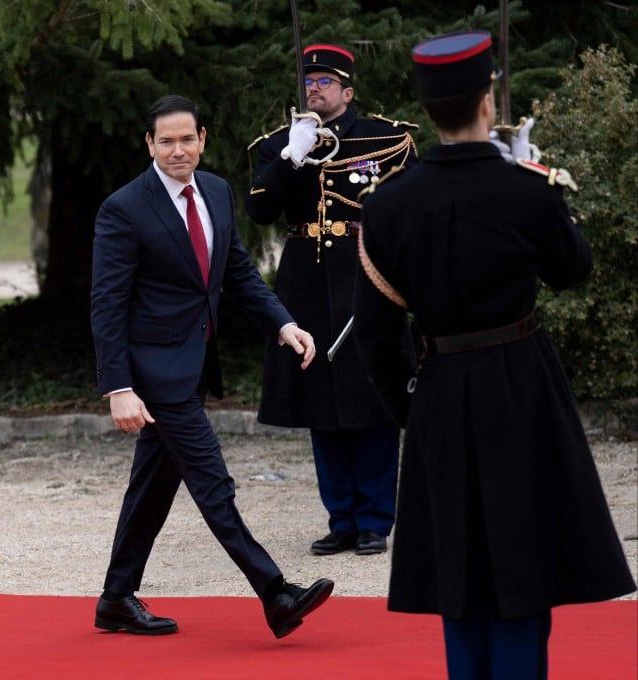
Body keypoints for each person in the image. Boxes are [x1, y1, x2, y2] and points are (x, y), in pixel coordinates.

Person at [351, 31, 636, 679]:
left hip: (441, 387)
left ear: (429, 110)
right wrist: (545, 184)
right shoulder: (526, 190)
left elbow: (374, 334)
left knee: (461, 564)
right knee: (523, 557)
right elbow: (573, 271)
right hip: (521, 384)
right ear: (488, 101)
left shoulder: (389, 205)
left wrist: (410, 410)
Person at [90, 94, 334, 639]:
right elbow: (106, 304)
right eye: (166, 140)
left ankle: (114, 599)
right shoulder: (124, 208)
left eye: (188, 138)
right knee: (212, 484)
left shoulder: (219, 192)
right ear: (149, 144)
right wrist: (118, 387)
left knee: (151, 488)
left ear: (203, 138)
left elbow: (240, 274)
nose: (179, 150)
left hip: (194, 365)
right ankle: (276, 593)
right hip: (155, 375)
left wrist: (283, 323)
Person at [245, 44, 418, 557]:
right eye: (309, 81)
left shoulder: (386, 138)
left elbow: (410, 211)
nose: (314, 88)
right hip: (306, 283)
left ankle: (374, 520)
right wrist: (291, 156)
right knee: (319, 400)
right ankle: (341, 518)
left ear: (348, 91)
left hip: (366, 276)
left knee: (373, 397)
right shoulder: (280, 144)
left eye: (325, 81)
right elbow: (259, 211)